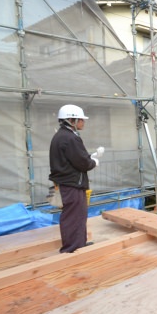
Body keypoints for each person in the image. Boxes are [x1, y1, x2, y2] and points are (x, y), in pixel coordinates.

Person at [49, 104, 103, 253]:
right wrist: (93, 162)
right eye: (81, 119)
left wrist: (90, 156)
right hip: (72, 184)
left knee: (77, 215)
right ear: (71, 120)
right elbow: (82, 163)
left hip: (67, 183)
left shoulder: (62, 136)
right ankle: (71, 249)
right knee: (73, 216)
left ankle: (78, 244)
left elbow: (74, 158)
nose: (83, 122)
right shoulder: (70, 138)